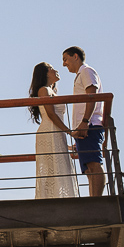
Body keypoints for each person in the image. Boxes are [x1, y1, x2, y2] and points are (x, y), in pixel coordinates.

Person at [28, 62, 79, 198]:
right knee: (52, 168)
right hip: (49, 130)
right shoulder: (44, 90)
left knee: (59, 166)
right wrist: (70, 132)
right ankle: (50, 199)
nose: (56, 70)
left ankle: (59, 198)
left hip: (56, 132)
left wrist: (67, 145)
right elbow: (51, 114)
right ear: (45, 73)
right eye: (51, 69)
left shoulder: (52, 91)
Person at [62, 45, 106, 197]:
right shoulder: (80, 75)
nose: (64, 64)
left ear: (76, 56)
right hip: (84, 128)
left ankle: (96, 201)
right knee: (88, 169)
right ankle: (94, 199)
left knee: (94, 165)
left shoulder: (87, 71)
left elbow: (91, 95)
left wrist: (85, 121)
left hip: (90, 125)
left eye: (65, 59)